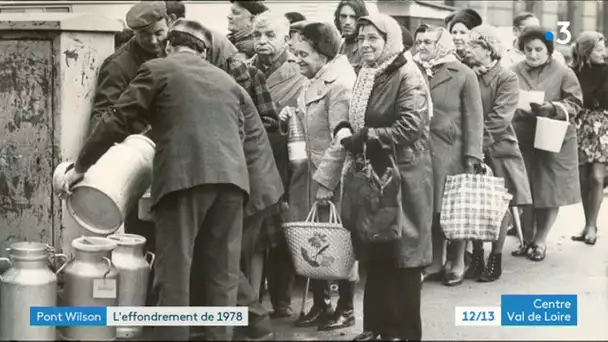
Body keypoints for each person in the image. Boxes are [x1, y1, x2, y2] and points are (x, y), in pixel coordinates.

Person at [63, 19, 250, 341]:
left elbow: (117, 119)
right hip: (233, 182)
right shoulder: (228, 81)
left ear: (169, 46)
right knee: (224, 274)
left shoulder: (157, 69)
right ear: (204, 53)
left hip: (184, 180)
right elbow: (241, 133)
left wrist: (83, 164)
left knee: (174, 272)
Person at [338, 13, 432, 341]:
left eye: (372, 39)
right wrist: (347, 129)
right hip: (377, 175)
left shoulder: (407, 74)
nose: (364, 44)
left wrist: (365, 136)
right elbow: (358, 115)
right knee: (375, 252)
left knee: (403, 257)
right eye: (361, 38)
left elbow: (410, 126)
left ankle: (403, 332)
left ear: (389, 40)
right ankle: (375, 327)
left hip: (404, 176)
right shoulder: (370, 73)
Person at [184, 24, 281, 341]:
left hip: (250, 183)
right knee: (223, 255)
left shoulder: (228, 78)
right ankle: (240, 324)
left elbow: (234, 135)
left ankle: (255, 325)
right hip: (250, 180)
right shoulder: (219, 76)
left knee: (221, 255)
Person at [279, 21, 357, 331]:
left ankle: (346, 308)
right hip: (312, 176)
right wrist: (291, 116)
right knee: (316, 243)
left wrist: (325, 181)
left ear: (323, 53)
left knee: (338, 243)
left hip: (332, 177)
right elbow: (311, 124)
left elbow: (342, 140)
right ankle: (322, 305)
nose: (297, 59)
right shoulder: (314, 78)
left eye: (303, 54)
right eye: (295, 52)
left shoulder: (340, 84)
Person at [413, 25, 484, 286]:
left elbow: (474, 118)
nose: (421, 46)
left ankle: (457, 260)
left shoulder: (463, 73)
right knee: (427, 208)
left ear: (441, 44)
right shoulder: (414, 70)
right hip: (420, 150)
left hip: (451, 152)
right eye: (418, 41)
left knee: (454, 209)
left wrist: (473, 155)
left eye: (428, 42)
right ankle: (434, 260)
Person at [249, 11, 307, 319]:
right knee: (255, 231)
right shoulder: (244, 69)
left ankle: (282, 299)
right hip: (254, 160)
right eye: (257, 36)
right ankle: (253, 298)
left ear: (285, 38)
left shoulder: (299, 73)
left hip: (287, 159)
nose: (262, 42)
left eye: (269, 35)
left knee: (285, 227)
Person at [462, 25, 532, 282]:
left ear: (489, 49)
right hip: (473, 148)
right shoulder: (467, 74)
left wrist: (476, 145)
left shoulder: (506, 78)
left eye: (475, 45)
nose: (468, 49)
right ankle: (478, 255)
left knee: (499, 206)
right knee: (474, 204)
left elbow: (500, 118)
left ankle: (496, 257)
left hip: (498, 149)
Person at [510, 27, 583, 262]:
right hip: (522, 135)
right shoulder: (512, 72)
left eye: (538, 49)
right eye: (528, 49)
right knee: (525, 188)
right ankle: (527, 238)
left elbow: (575, 103)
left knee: (549, 190)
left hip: (553, 137)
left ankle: (540, 240)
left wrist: (552, 108)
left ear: (549, 51)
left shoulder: (563, 72)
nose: (532, 54)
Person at [570, 31, 608, 246]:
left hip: (602, 126)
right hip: (580, 125)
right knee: (584, 178)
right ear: (586, 51)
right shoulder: (572, 71)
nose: (603, 53)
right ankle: (587, 223)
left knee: (596, 177)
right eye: (599, 50)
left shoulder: (607, 70)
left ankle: (593, 226)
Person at [334, 0, 369, 66]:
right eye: (343, 16)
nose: (347, 22)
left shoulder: (365, 47)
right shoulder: (341, 46)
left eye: (353, 17)